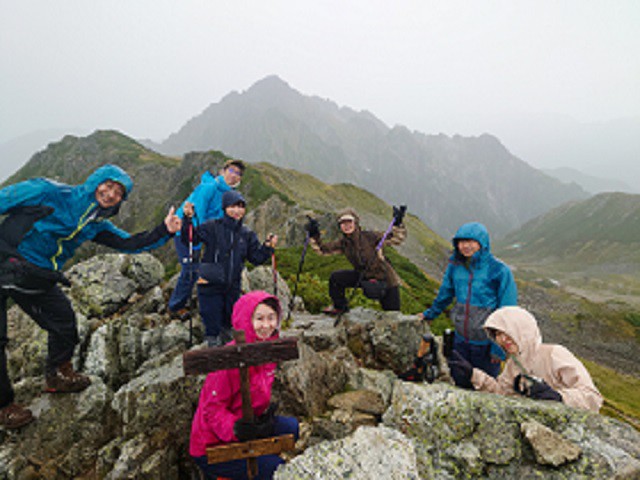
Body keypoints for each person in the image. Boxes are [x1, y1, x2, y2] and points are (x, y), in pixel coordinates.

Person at [0, 164, 181, 429]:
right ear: (95, 181)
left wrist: (164, 230)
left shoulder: (94, 225)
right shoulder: (46, 191)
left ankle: (58, 374)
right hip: (4, 262)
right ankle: (4, 408)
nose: (110, 194)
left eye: (118, 192)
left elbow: (129, 243)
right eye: (108, 185)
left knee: (64, 323)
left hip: (34, 276)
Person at [190, 290, 299, 479]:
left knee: (291, 428)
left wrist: (260, 420)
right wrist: (236, 429)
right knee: (277, 469)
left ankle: (256, 466)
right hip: (213, 444)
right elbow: (212, 409)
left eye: (271, 318)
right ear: (245, 320)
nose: (267, 325)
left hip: (248, 424)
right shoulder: (228, 360)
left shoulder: (266, 351)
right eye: (259, 319)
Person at [448, 306, 603, 412]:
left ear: (522, 329)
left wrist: (559, 397)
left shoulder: (554, 354)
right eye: (497, 334)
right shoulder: (513, 363)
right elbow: (502, 395)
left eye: (507, 331)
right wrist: (472, 375)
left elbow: (593, 398)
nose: (502, 339)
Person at [419, 222, 517, 388]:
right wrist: (430, 314)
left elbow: (507, 310)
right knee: (459, 383)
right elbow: (445, 294)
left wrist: (498, 347)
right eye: (461, 241)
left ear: (482, 243)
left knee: (486, 388)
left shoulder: (499, 270)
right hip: (460, 342)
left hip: (486, 346)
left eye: (471, 241)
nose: (465, 246)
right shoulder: (455, 267)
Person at [182, 190, 277, 346]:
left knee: (229, 324)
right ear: (225, 207)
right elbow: (189, 238)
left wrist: (267, 247)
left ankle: (228, 357)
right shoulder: (212, 227)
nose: (237, 210)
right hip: (210, 285)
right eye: (233, 206)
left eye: (241, 206)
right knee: (212, 328)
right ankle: (214, 358)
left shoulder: (247, 234)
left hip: (232, 287)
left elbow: (256, 258)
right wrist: (187, 218)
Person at [168, 159, 246, 318]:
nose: (234, 175)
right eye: (231, 170)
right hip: (185, 231)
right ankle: (176, 307)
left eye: (238, 173)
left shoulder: (228, 195)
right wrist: (196, 241)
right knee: (190, 269)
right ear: (222, 171)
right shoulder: (209, 188)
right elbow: (197, 213)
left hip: (203, 234)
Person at [309, 206, 406, 314]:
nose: (347, 225)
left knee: (392, 314)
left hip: (385, 279)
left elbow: (396, 239)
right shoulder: (343, 243)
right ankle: (339, 306)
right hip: (363, 276)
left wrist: (397, 223)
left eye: (349, 221)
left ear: (356, 222)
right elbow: (323, 250)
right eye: (343, 223)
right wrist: (314, 235)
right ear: (339, 226)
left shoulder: (370, 237)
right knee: (336, 278)